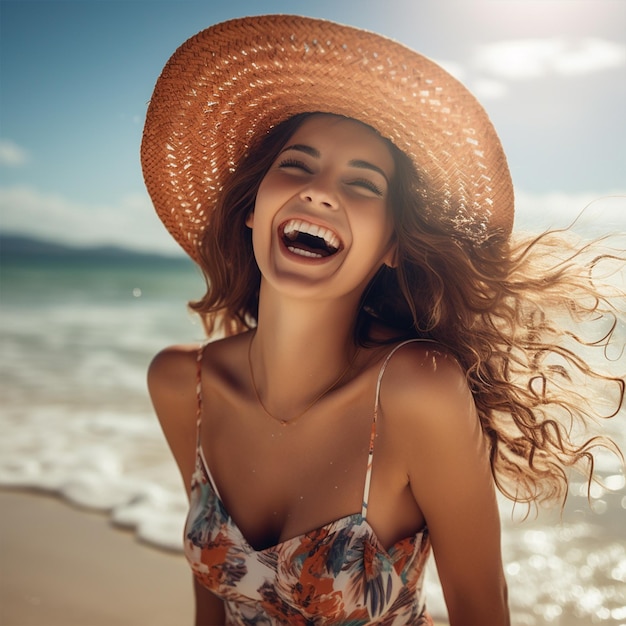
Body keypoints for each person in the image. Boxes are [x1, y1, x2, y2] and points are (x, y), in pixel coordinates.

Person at [141, 15, 624, 626]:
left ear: (393, 244)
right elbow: (210, 604)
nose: (319, 192)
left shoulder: (416, 390)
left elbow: (483, 608)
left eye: (363, 183)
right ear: (251, 207)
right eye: (296, 164)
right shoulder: (183, 384)